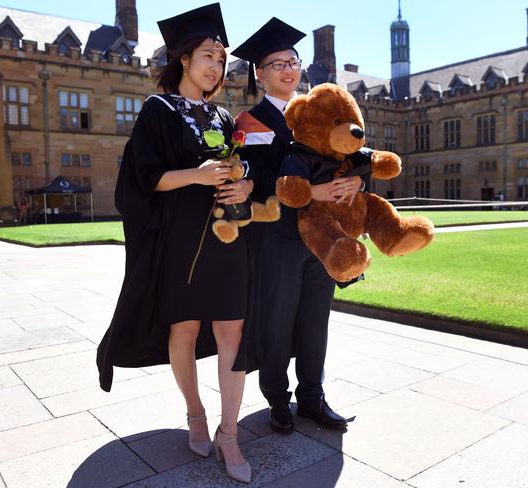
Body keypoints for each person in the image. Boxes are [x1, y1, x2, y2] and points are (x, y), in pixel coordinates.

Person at [96, 4, 252, 483]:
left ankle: (230, 434)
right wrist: (196, 175)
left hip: (226, 242)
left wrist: (243, 183)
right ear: (183, 58)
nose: (215, 66)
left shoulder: (224, 116)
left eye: (221, 60)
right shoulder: (157, 110)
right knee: (182, 333)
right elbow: (140, 181)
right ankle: (195, 414)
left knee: (232, 335)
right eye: (208, 55)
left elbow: (240, 166)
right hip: (180, 244)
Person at [232, 18, 367, 435]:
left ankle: (313, 396)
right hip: (277, 238)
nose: (288, 70)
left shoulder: (322, 112)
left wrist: (358, 179)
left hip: (324, 238)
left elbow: (357, 150)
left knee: (315, 319)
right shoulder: (250, 122)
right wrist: (313, 192)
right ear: (260, 72)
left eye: (293, 61)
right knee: (276, 319)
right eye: (277, 64)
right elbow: (256, 179)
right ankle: (277, 398)